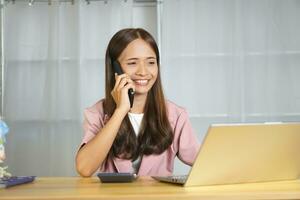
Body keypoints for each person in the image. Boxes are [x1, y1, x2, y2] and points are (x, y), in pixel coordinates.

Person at [76, 28, 200, 177]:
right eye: (132, 63)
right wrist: (121, 110)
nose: (143, 71)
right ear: (115, 68)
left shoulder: (176, 115)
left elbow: (204, 161)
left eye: (151, 62)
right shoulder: (97, 113)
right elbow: (84, 168)